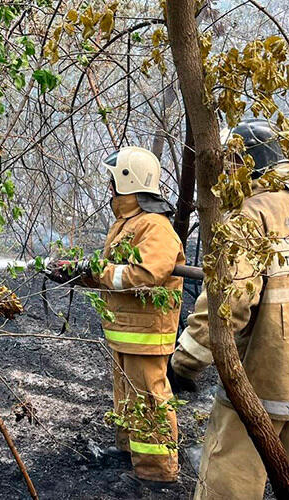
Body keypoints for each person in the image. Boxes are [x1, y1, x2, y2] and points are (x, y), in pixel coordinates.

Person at [170, 118, 289, 499]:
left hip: (266, 373)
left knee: (230, 469)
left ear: (244, 162)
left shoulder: (252, 216)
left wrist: (186, 361)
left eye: (230, 163)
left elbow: (228, 300)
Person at [47, 146, 185, 486]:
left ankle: (156, 473)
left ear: (128, 181)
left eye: (113, 180)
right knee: (127, 397)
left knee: (148, 400)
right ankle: (130, 452)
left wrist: (96, 270)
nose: (109, 187)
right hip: (126, 331)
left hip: (146, 334)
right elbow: (114, 271)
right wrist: (77, 272)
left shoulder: (154, 226)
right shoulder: (129, 223)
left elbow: (144, 275)